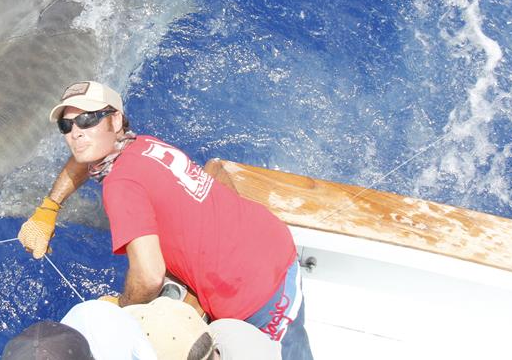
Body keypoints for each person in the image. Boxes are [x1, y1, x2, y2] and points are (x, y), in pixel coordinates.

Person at [17, 81, 313, 360]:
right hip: (267, 244)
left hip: (260, 292)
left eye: (87, 120)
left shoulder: (120, 185)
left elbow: (149, 275)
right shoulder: (142, 145)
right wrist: (49, 208)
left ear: (116, 120)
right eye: (66, 125)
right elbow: (86, 155)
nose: (76, 133)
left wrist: (120, 307)